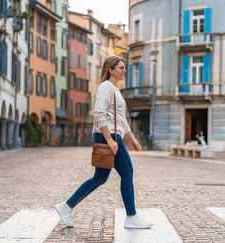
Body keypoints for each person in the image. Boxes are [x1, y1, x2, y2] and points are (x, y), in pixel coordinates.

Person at [55, 56, 153, 229]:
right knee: (127, 173)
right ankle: (131, 216)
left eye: (124, 68)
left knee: (99, 178)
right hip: (109, 136)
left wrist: (131, 138)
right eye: (121, 68)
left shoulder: (114, 89)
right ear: (111, 69)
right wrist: (110, 140)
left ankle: (66, 206)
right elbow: (99, 114)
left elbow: (121, 118)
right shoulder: (105, 87)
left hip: (113, 135)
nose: (124, 71)